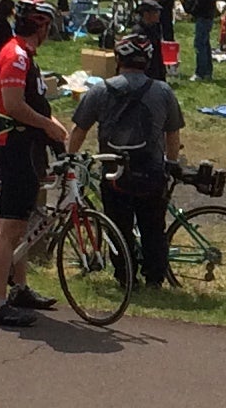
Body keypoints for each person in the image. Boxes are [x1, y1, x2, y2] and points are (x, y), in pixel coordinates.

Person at [0, 0, 71, 328]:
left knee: (21, 224)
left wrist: (53, 127)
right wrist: (47, 126)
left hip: (27, 147)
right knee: (10, 229)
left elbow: (35, 104)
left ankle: (19, 288)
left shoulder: (25, 56)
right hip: (15, 146)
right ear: (42, 27)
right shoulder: (16, 56)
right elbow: (16, 106)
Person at [72, 31, 185, 286]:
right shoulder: (163, 91)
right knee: (154, 228)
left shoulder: (100, 90)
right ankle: (155, 279)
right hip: (152, 171)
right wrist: (171, 163)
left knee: (117, 227)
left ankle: (126, 277)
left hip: (115, 173)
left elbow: (79, 129)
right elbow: (173, 133)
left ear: (118, 58)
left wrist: (71, 158)